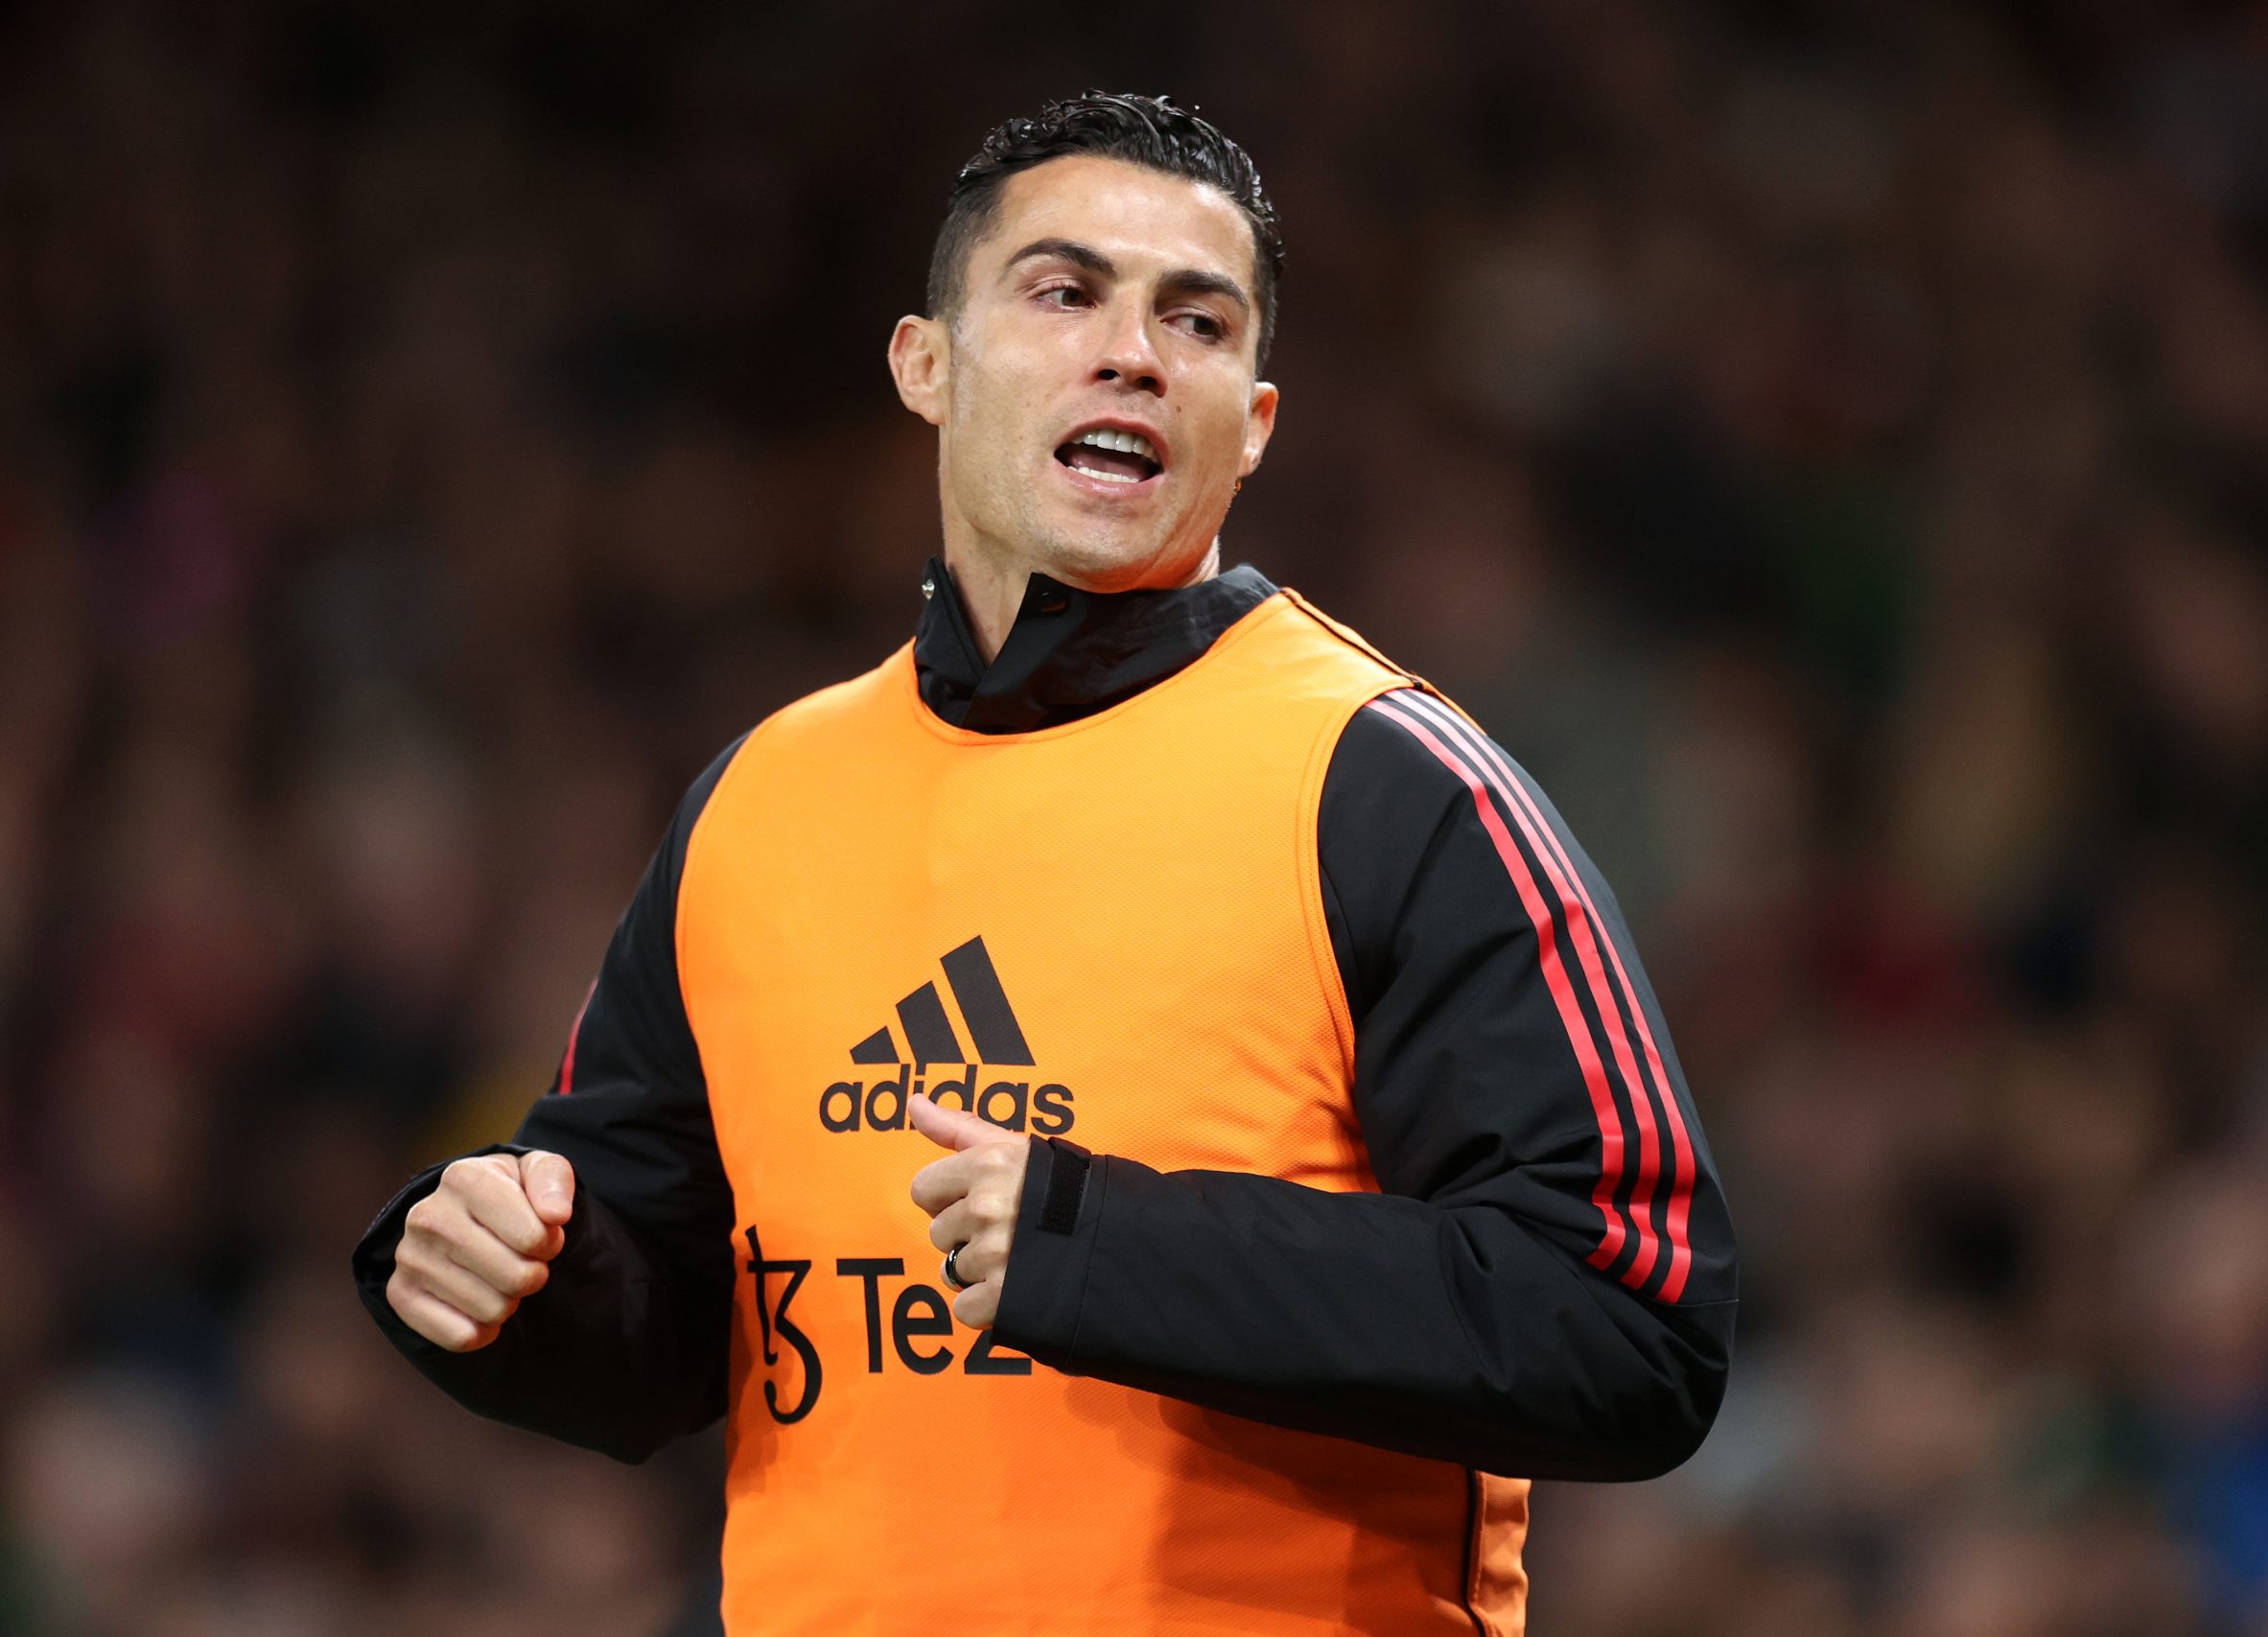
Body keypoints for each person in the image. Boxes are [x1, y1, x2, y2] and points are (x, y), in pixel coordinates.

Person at [352, 90, 1736, 1637]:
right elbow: (666, 1325)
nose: (1133, 351)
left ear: (1253, 423)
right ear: (925, 367)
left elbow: (1630, 1326)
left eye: (1196, 321)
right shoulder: (758, 802)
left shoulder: (1392, 785)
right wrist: (513, 1283)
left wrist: (1102, 1246)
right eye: (1067, 292)